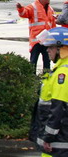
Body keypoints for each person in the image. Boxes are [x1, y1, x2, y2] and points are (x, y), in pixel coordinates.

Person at [31, 27, 68, 155]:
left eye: (50, 47)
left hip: (58, 141)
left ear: (61, 49)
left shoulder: (62, 73)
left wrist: (48, 137)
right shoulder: (60, 70)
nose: (47, 50)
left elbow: (59, 107)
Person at [17, 0, 57, 72]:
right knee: (33, 62)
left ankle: (46, 79)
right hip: (36, 40)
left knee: (47, 61)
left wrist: (54, 39)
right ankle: (32, 79)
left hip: (47, 40)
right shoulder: (33, 7)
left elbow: (53, 24)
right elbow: (24, 13)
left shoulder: (50, 9)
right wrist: (20, 8)